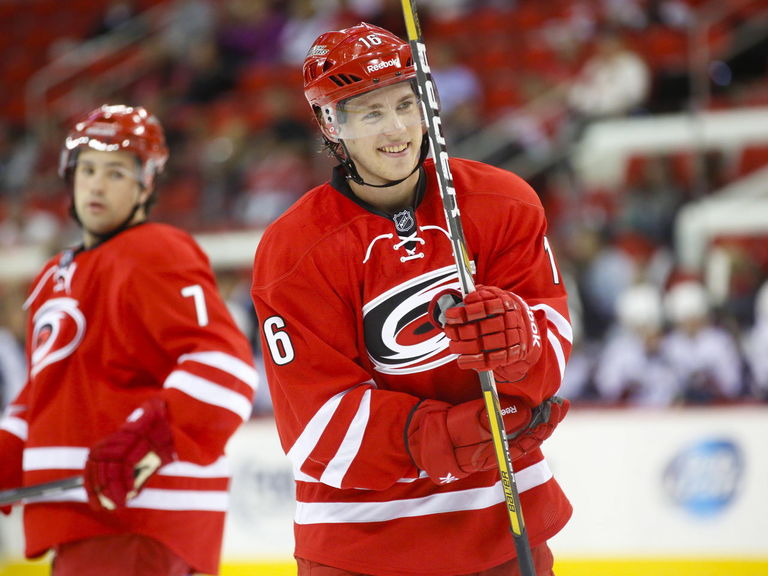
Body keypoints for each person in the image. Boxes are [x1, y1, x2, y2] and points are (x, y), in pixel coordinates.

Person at [251, 23, 573, 576]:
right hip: (361, 545)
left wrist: (520, 343)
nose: (398, 128)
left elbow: (551, 355)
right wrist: (458, 435)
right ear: (332, 123)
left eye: (407, 103)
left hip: (502, 520)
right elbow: (318, 427)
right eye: (371, 112)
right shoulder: (294, 250)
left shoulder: (502, 203)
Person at [0, 104, 258, 576]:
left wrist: (150, 437)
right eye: (88, 170)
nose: (96, 184)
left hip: (139, 520)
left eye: (116, 172)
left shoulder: (154, 249)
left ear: (147, 183)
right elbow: (45, 392)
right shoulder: (56, 275)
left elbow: (225, 363)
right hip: (86, 521)